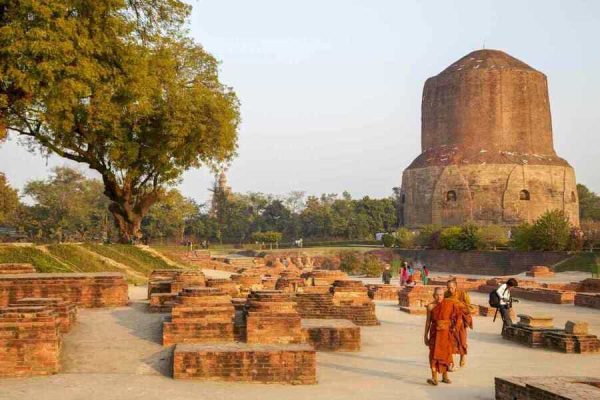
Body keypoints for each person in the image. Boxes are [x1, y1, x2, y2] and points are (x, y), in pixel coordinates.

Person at [424, 287, 459, 386]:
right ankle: (434, 378)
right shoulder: (431, 306)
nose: (439, 297)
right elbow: (428, 322)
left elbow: (456, 316)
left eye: (441, 295)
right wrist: (425, 336)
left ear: (444, 295)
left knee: (446, 354)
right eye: (437, 295)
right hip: (435, 332)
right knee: (433, 354)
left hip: (446, 333)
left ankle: (445, 376)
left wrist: (454, 327)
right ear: (433, 295)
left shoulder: (449, 304)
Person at [445, 279, 473, 369]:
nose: (450, 290)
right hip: (451, 321)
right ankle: (451, 361)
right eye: (448, 288)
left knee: (462, 340)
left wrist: (459, 305)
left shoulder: (463, 294)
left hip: (460, 321)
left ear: (455, 287)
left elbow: (470, 307)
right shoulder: (446, 294)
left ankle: (462, 356)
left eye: (451, 288)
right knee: (451, 341)